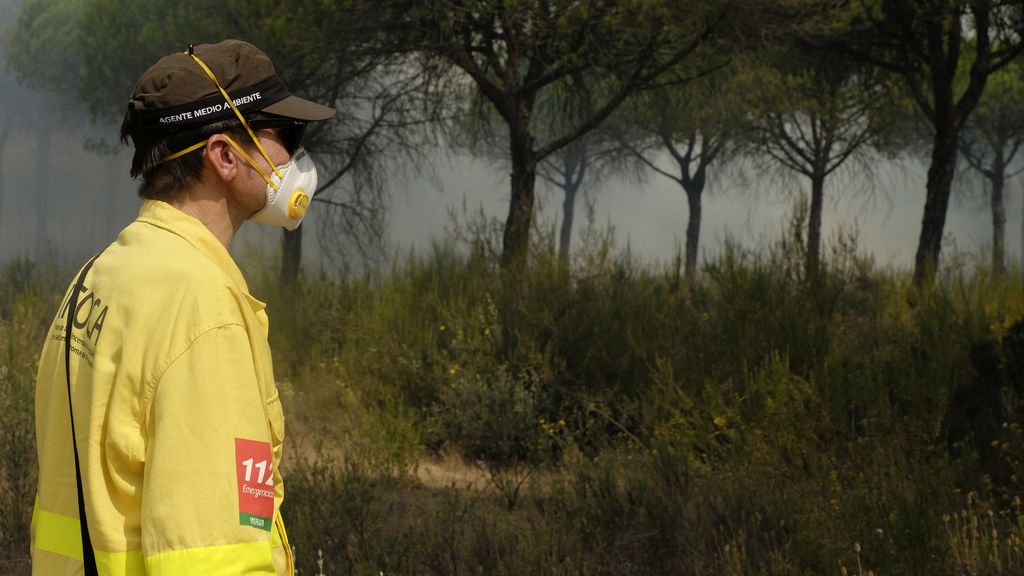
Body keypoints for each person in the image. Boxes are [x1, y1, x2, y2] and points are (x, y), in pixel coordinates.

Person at [31, 39, 334, 575]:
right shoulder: (201, 307)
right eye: (284, 135)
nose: (291, 157)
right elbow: (214, 556)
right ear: (223, 156)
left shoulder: (95, 278)